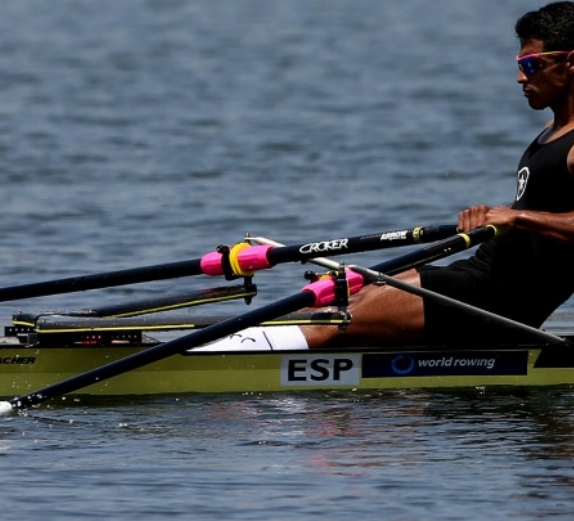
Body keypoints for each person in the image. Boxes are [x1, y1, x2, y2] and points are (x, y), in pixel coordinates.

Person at [203, 1, 574, 352]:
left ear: (569, 63)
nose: (518, 77)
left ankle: (212, 372)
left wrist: (517, 217)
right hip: (477, 276)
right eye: (519, 64)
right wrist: (501, 213)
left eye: (530, 66)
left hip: (501, 302)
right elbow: (546, 204)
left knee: (334, 320)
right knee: (344, 294)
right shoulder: (550, 130)